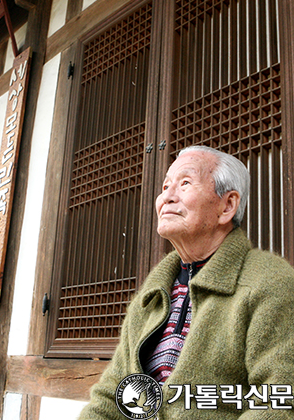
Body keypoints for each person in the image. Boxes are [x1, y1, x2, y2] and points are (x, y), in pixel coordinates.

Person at [78, 145, 294, 419]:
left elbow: (279, 400)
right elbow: (113, 394)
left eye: (185, 183)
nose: (166, 197)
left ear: (227, 205)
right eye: (166, 185)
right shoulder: (153, 293)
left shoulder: (269, 281)